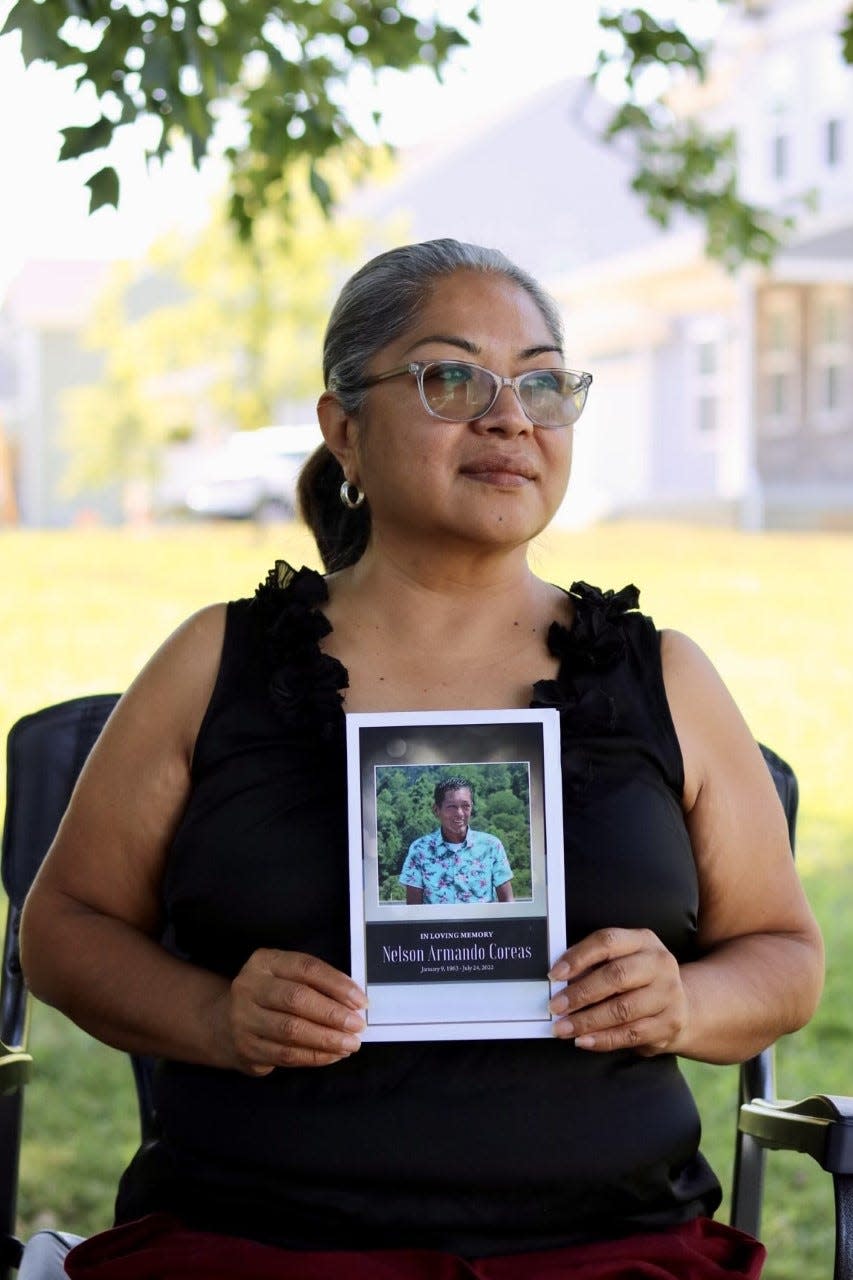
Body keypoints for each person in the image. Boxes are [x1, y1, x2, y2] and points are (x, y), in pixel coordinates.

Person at [20, 239, 823, 1280]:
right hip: (258, 1241)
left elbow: (785, 953)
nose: (510, 415)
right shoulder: (215, 661)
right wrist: (216, 1016)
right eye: (452, 377)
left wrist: (685, 1000)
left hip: (606, 1246)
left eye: (542, 381)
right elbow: (63, 930)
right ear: (343, 428)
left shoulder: (662, 674)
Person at [399, 777, 515, 904]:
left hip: (483, 924)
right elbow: (413, 909)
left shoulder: (491, 846)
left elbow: (508, 902)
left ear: (472, 808)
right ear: (436, 810)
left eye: (465, 806)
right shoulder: (420, 849)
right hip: (435, 924)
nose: (459, 813)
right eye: (451, 807)